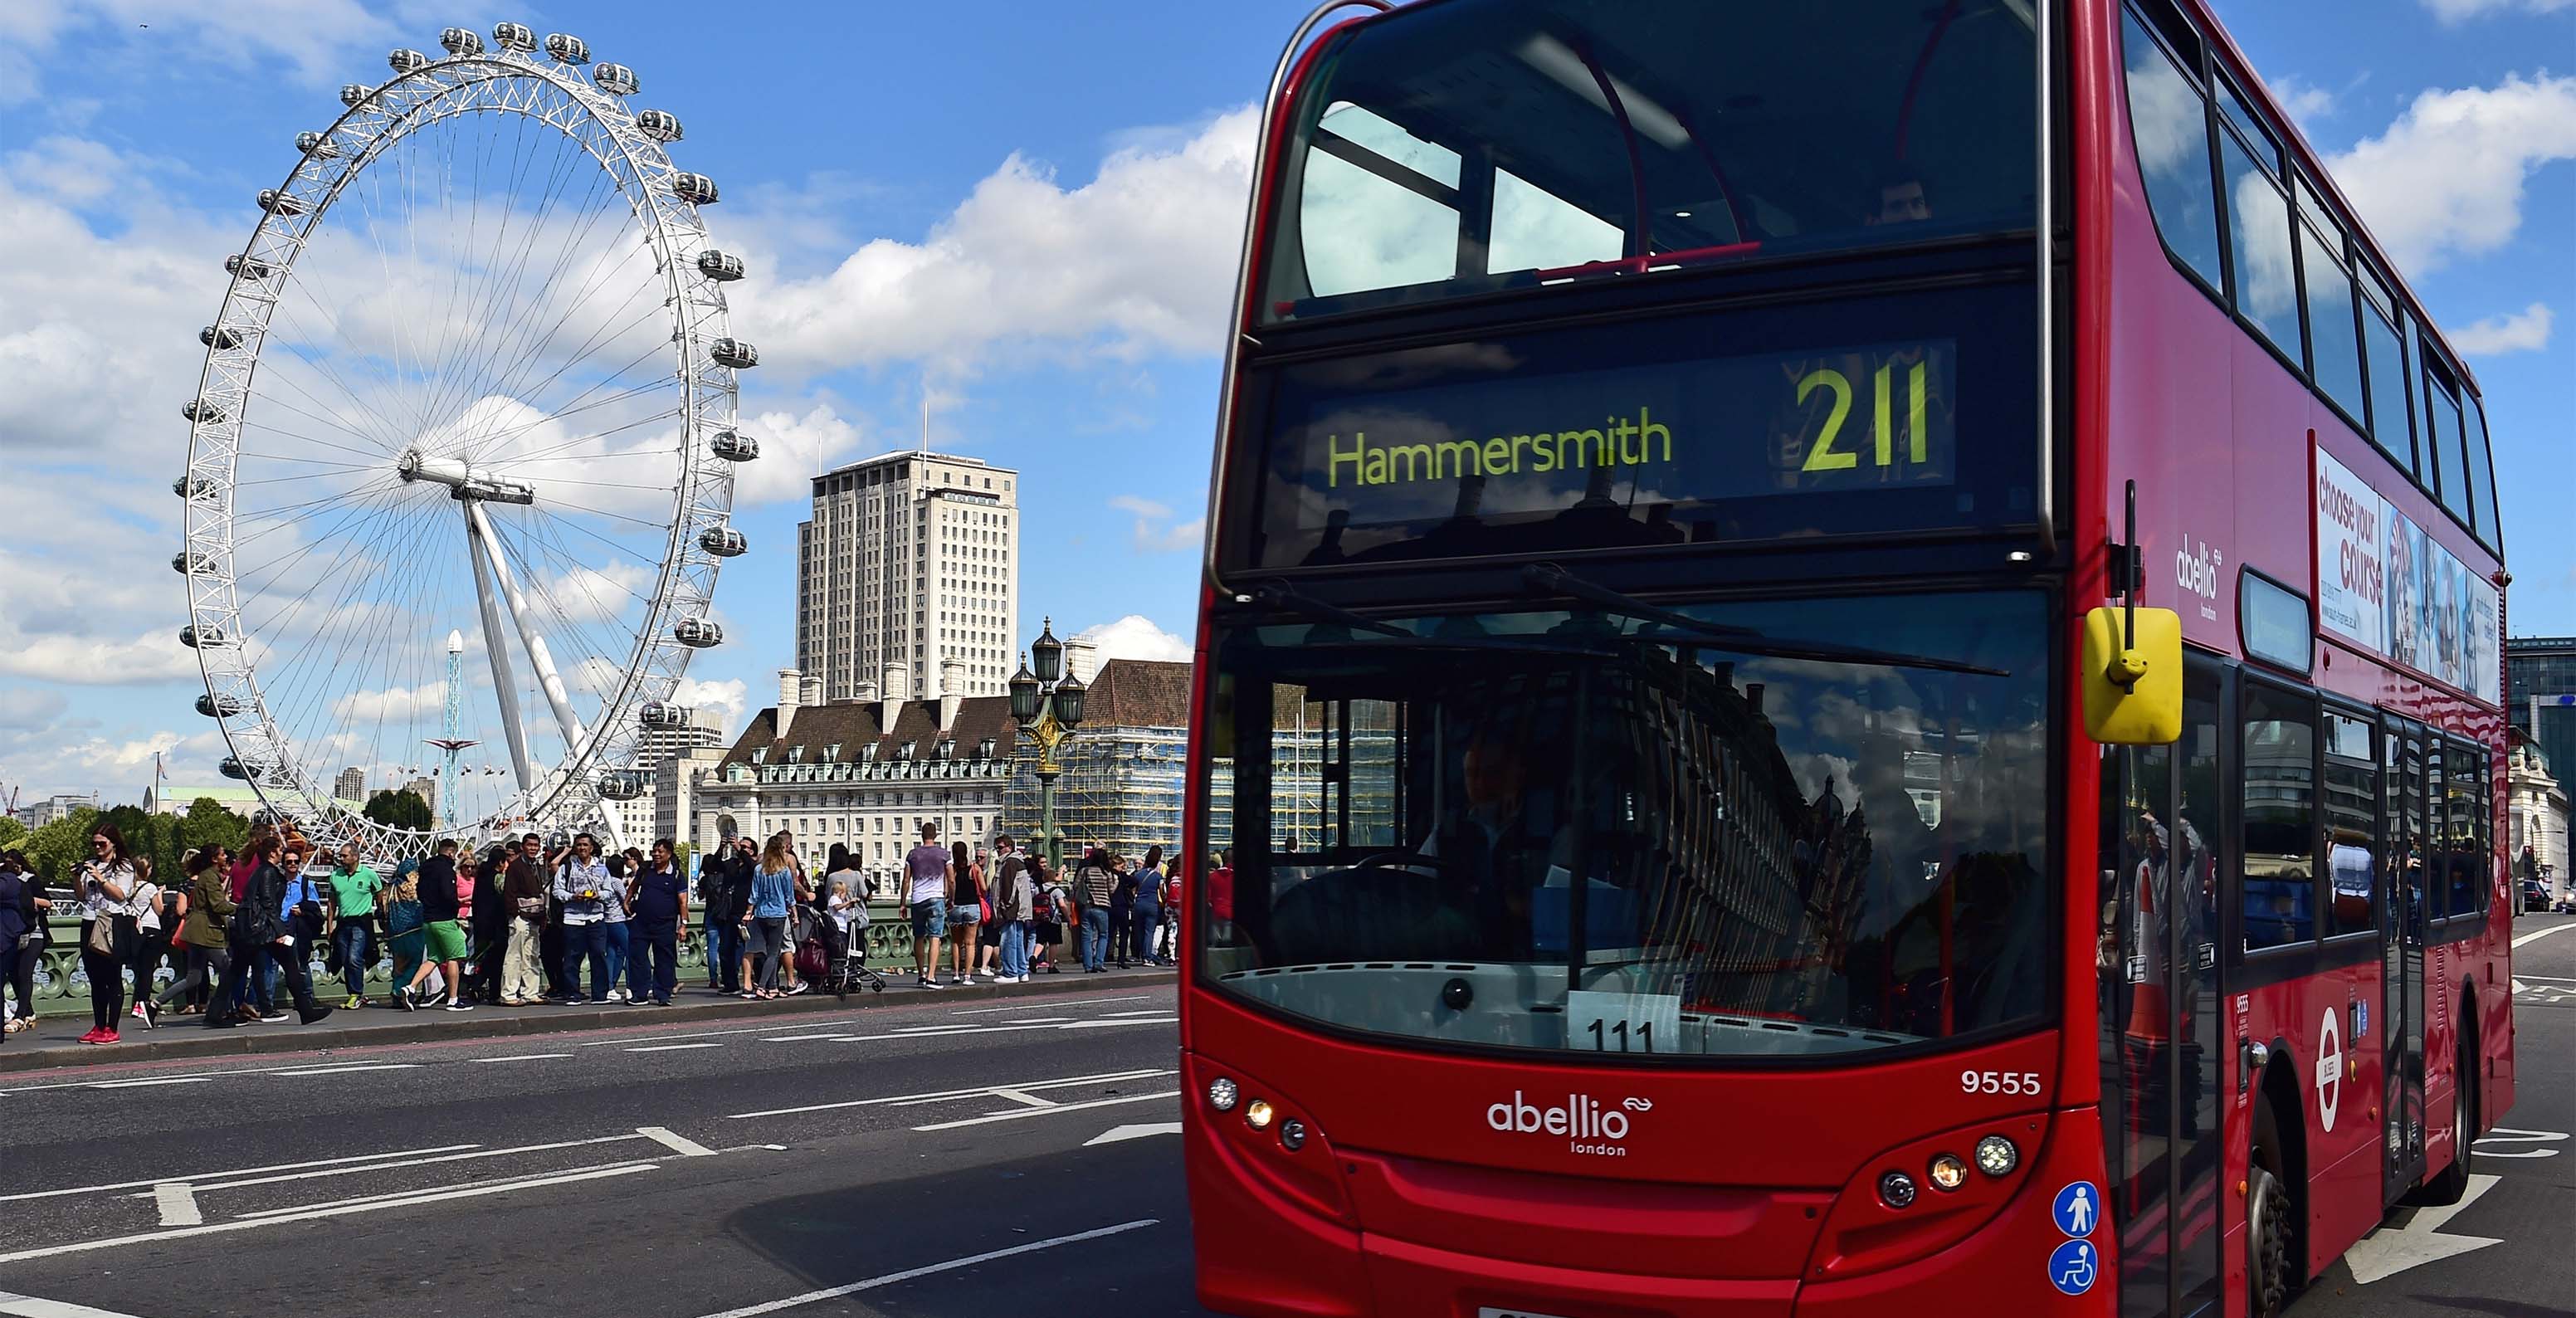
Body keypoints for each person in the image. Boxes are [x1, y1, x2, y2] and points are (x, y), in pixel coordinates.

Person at [212, 835, 330, 1028]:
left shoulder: (264, 871)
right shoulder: (268, 872)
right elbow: (268, 903)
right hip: (261, 930)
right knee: (288, 964)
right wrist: (280, 931)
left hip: (254, 929)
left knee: (237, 970)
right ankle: (305, 1010)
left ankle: (215, 1012)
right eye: (280, 849)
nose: (283, 851)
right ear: (273, 852)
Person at [76, 823, 139, 1043]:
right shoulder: (91, 864)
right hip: (89, 921)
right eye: (94, 844)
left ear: (113, 843)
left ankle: (112, 1028)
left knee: (112, 976)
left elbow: (121, 895)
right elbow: (82, 896)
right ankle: (98, 1025)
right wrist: (77, 877)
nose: (97, 848)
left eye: (102, 844)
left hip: (111, 921)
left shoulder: (123, 867)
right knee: (94, 977)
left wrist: (101, 878)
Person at [154, 848, 232, 1019]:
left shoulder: (202, 878)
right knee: (228, 970)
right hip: (207, 932)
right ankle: (219, 1011)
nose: (226, 857)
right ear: (213, 859)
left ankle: (154, 1004)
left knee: (193, 978)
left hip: (194, 932)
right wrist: (241, 908)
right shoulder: (211, 877)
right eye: (222, 854)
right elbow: (218, 905)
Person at [402, 839, 472, 1011]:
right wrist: (455, 906)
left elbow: (419, 892)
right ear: (450, 853)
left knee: (434, 958)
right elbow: (448, 894)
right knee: (454, 957)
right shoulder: (446, 870)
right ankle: (454, 1000)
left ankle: (410, 987)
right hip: (445, 920)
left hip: (428, 920)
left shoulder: (425, 869)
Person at [550, 832, 613, 1003]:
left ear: (591, 848)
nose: (582, 848)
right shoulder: (566, 868)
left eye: (585, 845)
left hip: (595, 918)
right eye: (579, 845)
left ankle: (600, 994)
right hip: (573, 918)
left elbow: (609, 892)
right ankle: (572, 993)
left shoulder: (602, 868)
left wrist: (598, 895)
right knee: (572, 957)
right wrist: (572, 897)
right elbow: (557, 891)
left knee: (599, 955)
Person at [628, 838, 688, 1007]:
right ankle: (639, 994)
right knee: (637, 957)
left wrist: (683, 925)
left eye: (660, 851)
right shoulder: (646, 869)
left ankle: (662, 993)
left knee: (664, 960)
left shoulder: (676, 875)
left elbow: (683, 902)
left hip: (665, 923)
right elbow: (634, 886)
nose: (656, 854)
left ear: (669, 854)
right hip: (641, 921)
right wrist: (626, 902)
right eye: (654, 851)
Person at [325, 842, 383, 1008]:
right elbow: (332, 902)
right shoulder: (335, 876)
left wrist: (381, 913)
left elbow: (379, 894)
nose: (341, 859)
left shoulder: (369, 874)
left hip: (361, 922)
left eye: (344, 856)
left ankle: (356, 994)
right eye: (341, 856)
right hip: (343, 923)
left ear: (355, 857)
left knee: (354, 957)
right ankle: (353, 993)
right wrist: (330, 924)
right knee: (344, 959)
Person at [744, 831, 796, 999]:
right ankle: (763, 986)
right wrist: (794, 914)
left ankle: (773, 987)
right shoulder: (784, 871)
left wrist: (748, 912)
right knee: (774, 953)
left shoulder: (759, 869)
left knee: (767, 952)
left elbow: (753, 895)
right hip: (778, 914)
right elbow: (789, 896)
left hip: (760, 915)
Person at [501, 833, 550, 1006]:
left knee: (531, 955)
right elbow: (509, 892)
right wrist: (515, 914)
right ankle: (509, 993)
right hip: (521, 917)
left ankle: (530, 991)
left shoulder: (534, 866)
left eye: (536, 845)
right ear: (523, 846)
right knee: (515, 956)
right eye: (530, 845)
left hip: (534, 916)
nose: (533, 848)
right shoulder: (516, 867)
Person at [904, 823, 953, 989]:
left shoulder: (912, 854)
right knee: (935, 937)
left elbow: (905, 880)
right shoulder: (944, 854)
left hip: (917, 899)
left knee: (918, 937)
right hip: (936, 899)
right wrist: (951, 898)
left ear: (921, 835)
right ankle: (931, 976)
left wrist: (903, 903)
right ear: (936, 835)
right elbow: (951, 879)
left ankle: (921, 975)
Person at [125, 855, 169, 1029]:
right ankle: (143, 1003)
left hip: (136, 930)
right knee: (148, 970)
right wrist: (160, 893)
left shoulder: (129, 887)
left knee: (139, 968)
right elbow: (159, 910)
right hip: (151, 929)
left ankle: (137, 1005)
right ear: (146, 869)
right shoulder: (149, 887)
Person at [0, 851, 39, 1035]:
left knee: (23, 974)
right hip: (15, 934)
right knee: (15, 975)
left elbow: (45, 902)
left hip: (30, 934)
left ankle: (20, 1015)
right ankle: (25, 1013)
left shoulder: (16, 881)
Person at [700, 851, 747, 995]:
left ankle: (713, 978)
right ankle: (733, 972)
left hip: (711, 913)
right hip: (725, 913)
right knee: (734, 944)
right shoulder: (725, 876)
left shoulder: (705, 879)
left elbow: (701, 895)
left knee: (713, 947)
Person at [382, 870, 427, 1003]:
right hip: (413, 929)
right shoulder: (413, 885)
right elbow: (420, 904)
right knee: (417, 961)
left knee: (399, 965)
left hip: (394, 931)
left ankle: (396, 996)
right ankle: (400, 989)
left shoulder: (391, 886)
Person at [992, 840, 1032, 984]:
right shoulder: (1018, 861)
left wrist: (1005, 906)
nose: (998, 850)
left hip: (1011, 909)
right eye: (997, 848)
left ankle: (1010, 973)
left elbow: (1008, 887)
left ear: (1009, 847)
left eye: (1001, 847)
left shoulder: (1009, 863)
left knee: (1008, 941)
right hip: (1020, 909)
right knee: (1018, 941)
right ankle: (1022, 971)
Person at [1076, 847, 1118, 973]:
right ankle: (1099, 962)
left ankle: (1088, 966)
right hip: (1102, 907)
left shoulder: (1085, 870)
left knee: (1086, 937)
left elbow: (1076, 886)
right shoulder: (1107, 873)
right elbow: (1111, 891)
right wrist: (1116, 882)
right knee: (1103, 935)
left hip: (1087, 907)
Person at [949, 840, 984, 983]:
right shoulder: (974, 868)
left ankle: (956, 974)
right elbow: (984, 887)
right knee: (970, 943)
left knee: (956, 943)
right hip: (972, 906)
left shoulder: (952, 869)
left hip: (956, 906)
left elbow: (948, 888)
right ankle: (968, 976)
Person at [1131, 845, 1168, 969]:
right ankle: (1147, 957)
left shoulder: (1138, 875)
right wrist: (1164, 902)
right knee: (1149, 932)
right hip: (1152, 905)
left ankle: (1142, 954)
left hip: (1139, 905)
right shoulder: (1158, 876)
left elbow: (1133, 891)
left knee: (1140, 931)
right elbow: (1162, 892)